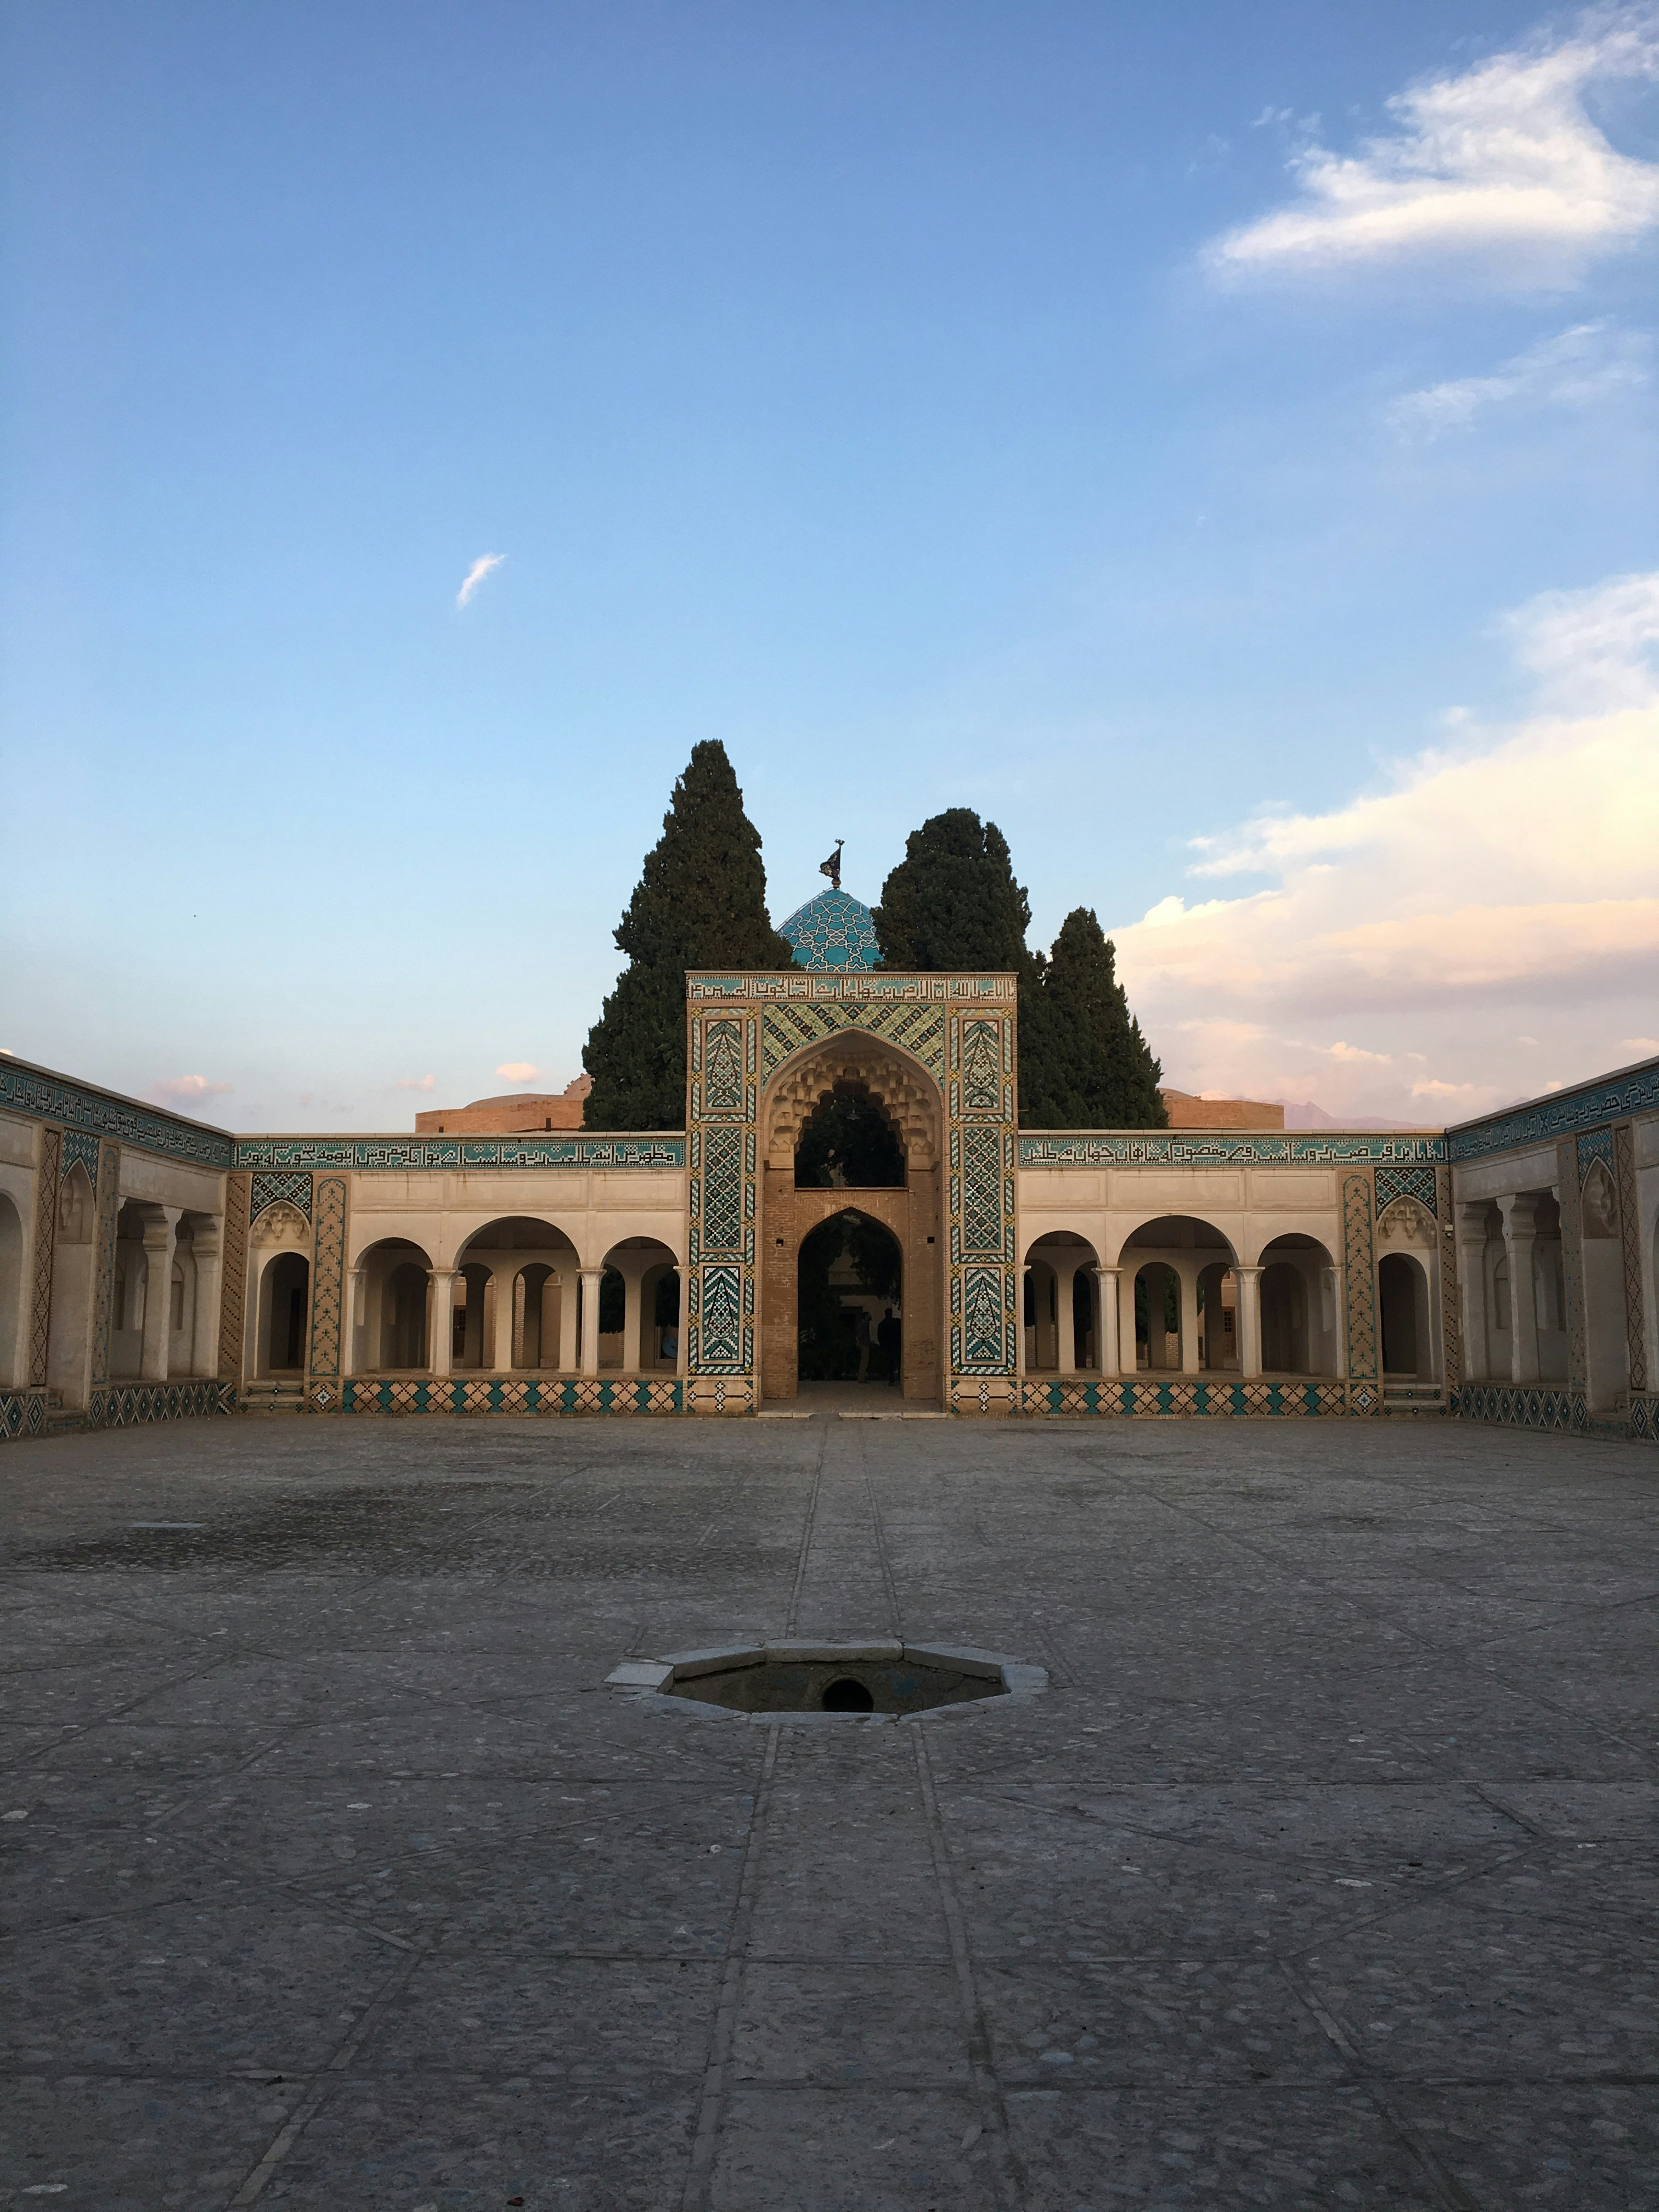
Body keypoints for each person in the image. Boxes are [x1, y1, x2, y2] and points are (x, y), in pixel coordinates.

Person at [878, 1306, 901, 1387]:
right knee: (899, 1363)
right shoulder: (897, 1322)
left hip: (887, 1347)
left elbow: (880, 1337)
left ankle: (892, 1381)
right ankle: (901, 1380)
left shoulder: (882, 1325)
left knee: (890, 1364)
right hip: (897, 1345)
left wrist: (883, 1346)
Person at [853, 1304, 872, 1383]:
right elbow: (862, 1334)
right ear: (866, 1316)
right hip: (864, 1344)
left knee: (863, 1361)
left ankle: (861, 1377)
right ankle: (861, 1378)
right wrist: (859, 1341)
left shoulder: (862, 1323)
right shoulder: (865, 1323)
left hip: (863, 1343)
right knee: (864, 1361)